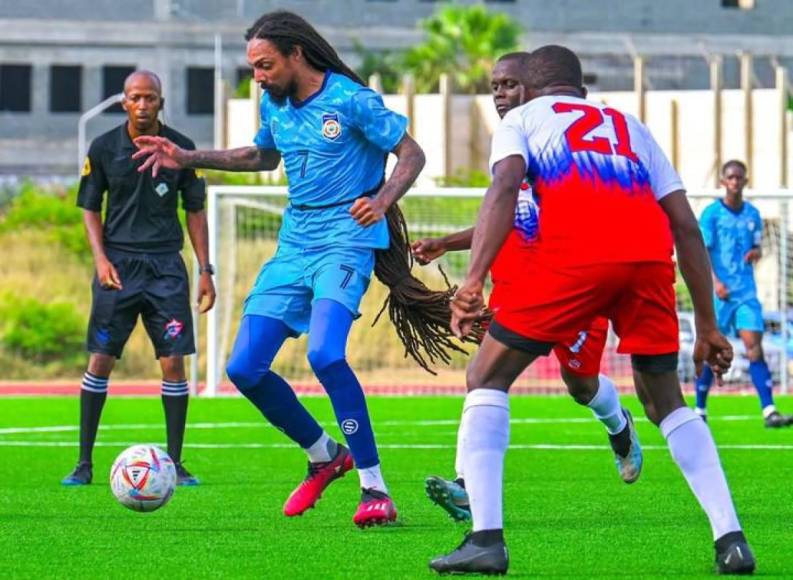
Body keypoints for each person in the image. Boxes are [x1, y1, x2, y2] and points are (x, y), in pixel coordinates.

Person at [430, 45, 754, 576]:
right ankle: (731, 539)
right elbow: (686, 226)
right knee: (666, 402)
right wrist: (709, 327)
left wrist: (471, 281)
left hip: (574, 261)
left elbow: (506, 188)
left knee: (485, 376)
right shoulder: (629, 124)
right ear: (580, 87)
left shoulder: (524, 119)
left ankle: (485, 539)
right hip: (649, 261)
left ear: (529, 88)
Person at [132, 11, 428, 528]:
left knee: (325, 354)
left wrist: (382, 200)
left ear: (296, 54)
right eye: (254, 68)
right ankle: (323, 454)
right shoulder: (275, 103)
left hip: (346, 239)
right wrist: (186, 156)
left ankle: (374, 487)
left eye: (265, 65)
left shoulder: (351, 101)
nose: (259, 77)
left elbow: (411, 153)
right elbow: (261, 156)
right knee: (243, 368)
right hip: (294, 245)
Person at [412, 52, 642, 523]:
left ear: (536, 89)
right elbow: (499, 216)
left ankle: (619, 425)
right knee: (484, 376)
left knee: (580, 385)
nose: (501, 95)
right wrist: (445, 244)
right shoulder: (509, 149)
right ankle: (466, 486)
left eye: (511, 85)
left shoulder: (557, 147)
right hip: (519, 292)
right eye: (495, 86)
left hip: (576, 287)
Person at [62, 70, 215, 487]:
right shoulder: (104, 148)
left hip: (166, 267)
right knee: (101, 359)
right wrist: (100, 259)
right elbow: (90, 208)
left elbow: (195, 210)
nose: (143, 105)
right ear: (124, 102)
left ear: (161, 103)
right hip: (119, 268)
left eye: (150, 98)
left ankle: (176, 462)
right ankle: (84, 464)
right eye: (135, 98)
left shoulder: (181, 148)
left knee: (173, 363)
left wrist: (205, 270)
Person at [696, 160, 792, 428]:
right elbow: (702, 251)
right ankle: (700, 409)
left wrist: (757, 253)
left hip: (746, 293)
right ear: (723, 182)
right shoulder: (711, 214)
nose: (735, 182)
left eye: (739, 178)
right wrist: (714, 282)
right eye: (730, 177)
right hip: (719, 294)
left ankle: (769, 410)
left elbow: (757, 245)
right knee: (710, 349)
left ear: (745, 182)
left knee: (754, 347)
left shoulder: (753, 214)